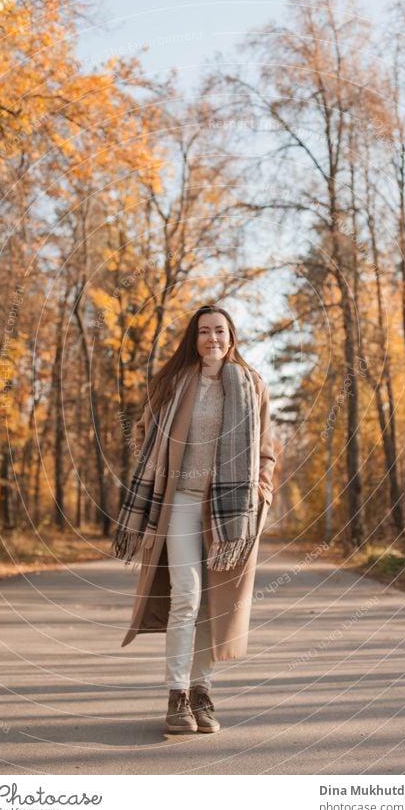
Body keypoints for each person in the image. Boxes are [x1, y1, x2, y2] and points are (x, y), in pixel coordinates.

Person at [113, 305, 276, 734]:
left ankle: (202, 692)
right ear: (194, 338)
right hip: (180, 502)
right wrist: (157, 468)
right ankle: (177, 695)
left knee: (211, 603)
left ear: (231, 337)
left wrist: (262, 490)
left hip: (229, 510)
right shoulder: (172, 383)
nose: (212, 339)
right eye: (204, 331)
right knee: (187, 594)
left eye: (219, 331)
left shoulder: (252, 385)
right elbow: (143, 434)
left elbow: (267, 451)